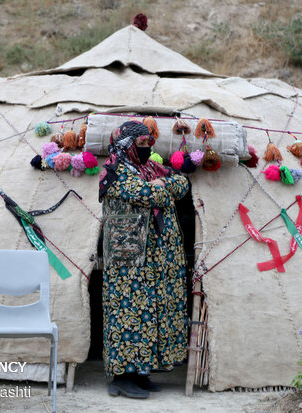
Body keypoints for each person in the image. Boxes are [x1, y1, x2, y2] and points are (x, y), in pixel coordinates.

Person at [99, 120, 189, 399]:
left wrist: (164, 182)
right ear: (126, 145)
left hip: (151, 258)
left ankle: (141, 373)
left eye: (149, 143)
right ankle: (121, 378)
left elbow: (182, 182)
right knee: (128, 312)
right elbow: (150, 194)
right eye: (140, 144)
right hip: (128, 258)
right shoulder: (115, 171)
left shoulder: (147, 168)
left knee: (150, 311)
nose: (147, 148)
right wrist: (162, 185)